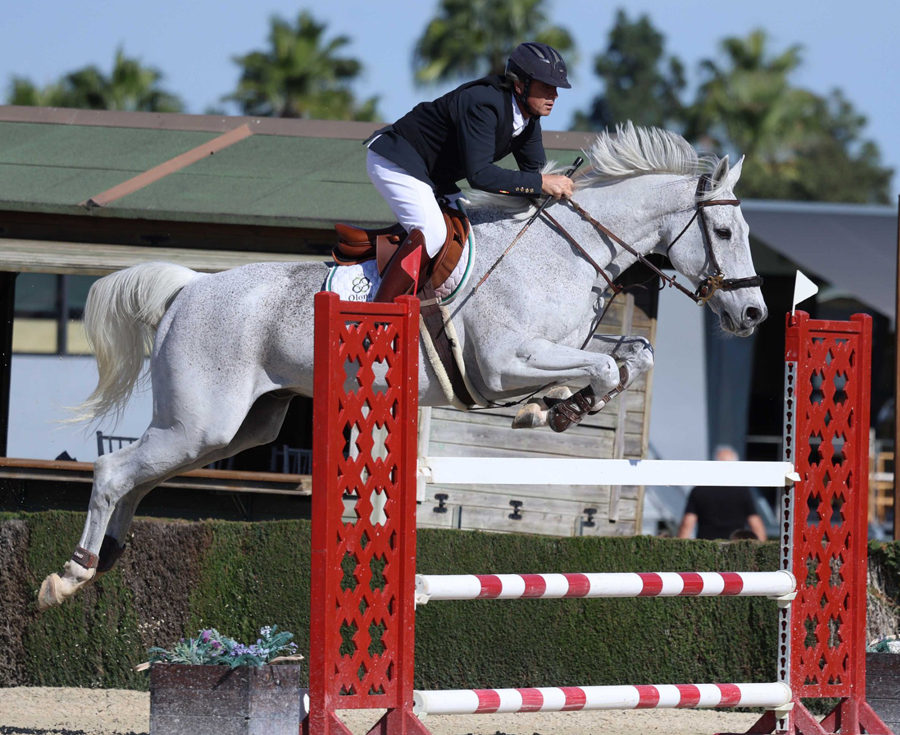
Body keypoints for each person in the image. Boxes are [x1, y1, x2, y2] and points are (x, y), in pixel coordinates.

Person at [365, 41, 576, 302]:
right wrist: (542, 182)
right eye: (546, 86)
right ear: (520, 85)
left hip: (434, 177)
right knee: (432, 234)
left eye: (555, 88)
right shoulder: (483, 103)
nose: (554, 95)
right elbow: (480, 176)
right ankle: (379, 316)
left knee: (470, 233)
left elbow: (536, 174)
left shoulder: (529, 121)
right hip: (396, 160)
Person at [677, 445, 767, 541]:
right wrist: (762, 551)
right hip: (734, 547)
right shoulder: (742, 491)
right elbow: (755, 524)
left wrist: (679, 550)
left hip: (706, 548)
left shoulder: (699, 490)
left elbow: (687, 523)